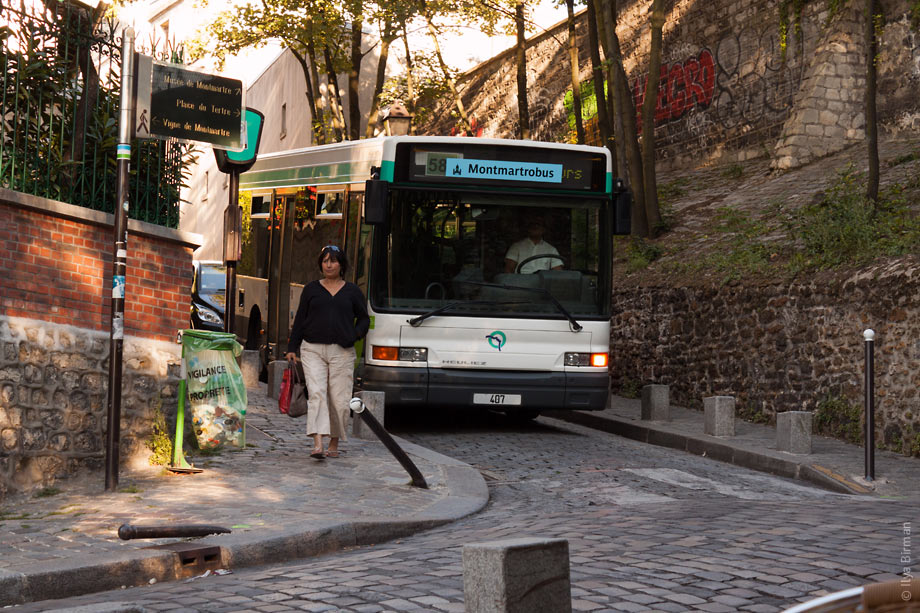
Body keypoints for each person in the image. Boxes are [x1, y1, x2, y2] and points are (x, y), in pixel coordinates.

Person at [284, 245, 370, 460]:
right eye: (325, 261)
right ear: (320, 264)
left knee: (339, 400)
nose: (329, 265)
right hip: (312, 349)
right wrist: (291, 348)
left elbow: (365, 319)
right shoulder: (311, 289)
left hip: (342, 351)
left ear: (341, 265)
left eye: (333, 261)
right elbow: (300, 320)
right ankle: (318, 443)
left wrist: (354, 335)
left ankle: (334, 442)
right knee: (317, 394)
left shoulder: (352, 291)